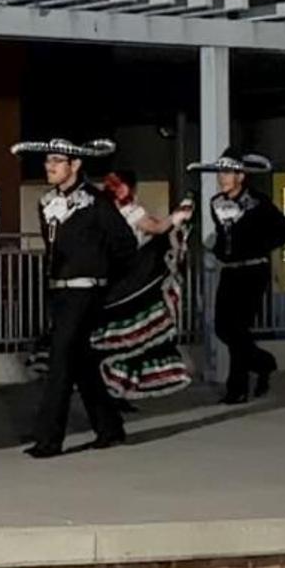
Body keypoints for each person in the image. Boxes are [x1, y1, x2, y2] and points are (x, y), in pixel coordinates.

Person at [10, 138, 135, 459]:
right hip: (59, 290)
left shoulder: (96, 202)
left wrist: (102, 277)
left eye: (57, 160)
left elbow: (125, 243)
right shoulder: (46, 201)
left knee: (60, 359)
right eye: (47, 160)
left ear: (75, 165)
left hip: (86, 290)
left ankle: (48, 439)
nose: (49, 166)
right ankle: (110, 428)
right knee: (80, 362)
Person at [188, 148, 285, 404]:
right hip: (231, 272)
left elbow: (284, 229)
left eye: (228, 172)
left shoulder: (259, 202)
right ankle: (264, 363)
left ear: (241, 176)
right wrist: (220, 249)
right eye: (221, 172)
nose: (222, 177)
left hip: (253, 270)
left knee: (238, 328)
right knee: (225, 328)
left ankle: (237, 388)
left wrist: (261, 246)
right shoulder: (217, 203)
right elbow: (225, 237)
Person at [91, 171, 197, 402]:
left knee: (115, 337)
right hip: (132, 281)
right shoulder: (130, 211)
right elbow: (157, 229)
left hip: (110, 281)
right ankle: (119, 387)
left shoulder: (101, 211)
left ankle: (115, 387)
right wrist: (177, 217)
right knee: (134, 336)